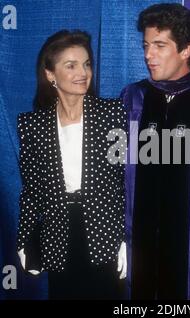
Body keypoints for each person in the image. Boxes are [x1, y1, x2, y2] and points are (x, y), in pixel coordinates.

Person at [121, 3, 190, 299]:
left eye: (159, 45)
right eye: (145, 45)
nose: (147, 55)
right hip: (140, 242)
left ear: (185, 50)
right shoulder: (135, 97)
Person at [16, 30, 127, 299]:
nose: (83, 72)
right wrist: (24, 239)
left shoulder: (114, 115)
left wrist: (129, 238)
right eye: (71, 65)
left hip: (106, 234)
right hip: (58, 237)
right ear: (50, 74)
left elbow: (126, 180)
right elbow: (31, 191)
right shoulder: (32, 126)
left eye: (87, 64)